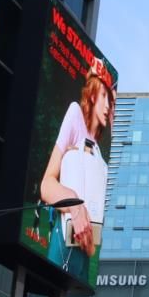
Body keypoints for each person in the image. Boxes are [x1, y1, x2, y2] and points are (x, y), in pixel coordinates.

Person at [39, 60, 114, 283]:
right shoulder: (75, 116)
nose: (108, 106)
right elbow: (47, 185)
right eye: (104, 96)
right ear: (92, 95)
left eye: (111, 101)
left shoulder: (101, 150)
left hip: (84, 252)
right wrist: (75, 205)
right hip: (64, 240)